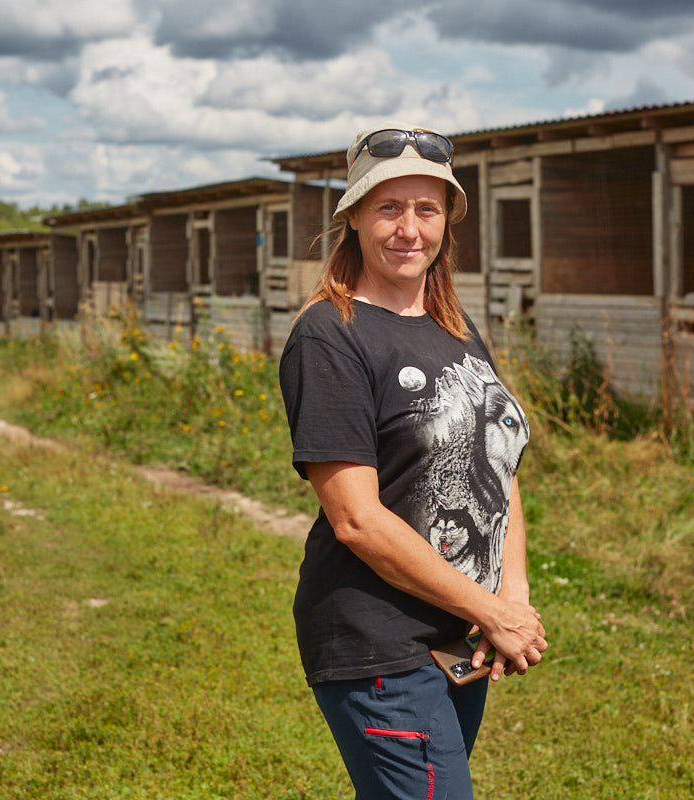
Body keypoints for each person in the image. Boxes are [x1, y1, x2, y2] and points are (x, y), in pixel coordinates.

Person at [278, 123, 548, 799]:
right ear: (355, 220)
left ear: (446, 223)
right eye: (388, 208)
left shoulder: (453, 326)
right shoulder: (330, 334)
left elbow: (500, 471)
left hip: (457, 637)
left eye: (426, 209)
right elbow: (358, 521)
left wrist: (507, 599)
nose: (408, 229)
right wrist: (489, 611)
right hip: (379, 643)